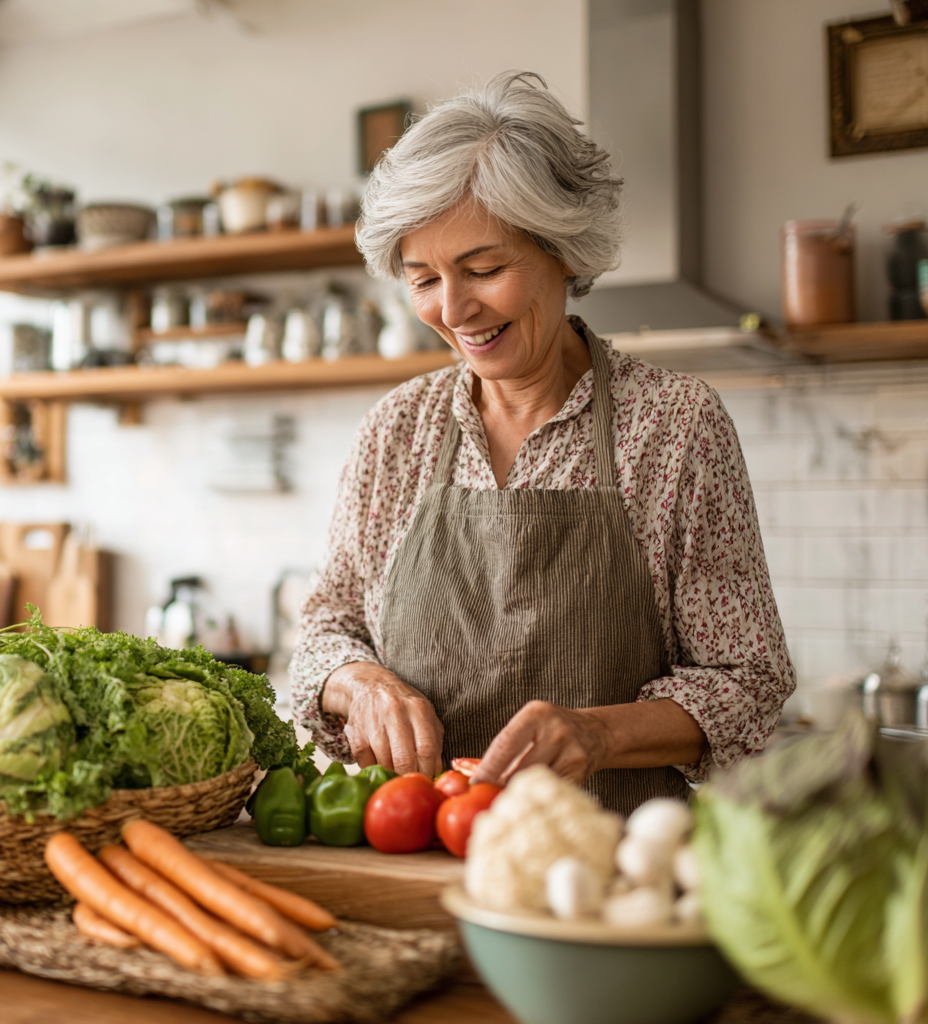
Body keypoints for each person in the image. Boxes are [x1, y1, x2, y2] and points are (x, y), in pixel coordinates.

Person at [291, 70, 794, 814]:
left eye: (484, 269)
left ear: (564, 249)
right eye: (423, 278)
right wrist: (359, 684)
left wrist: (600, 735)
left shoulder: (675, 427)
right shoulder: (395, 432)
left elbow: (746, 681)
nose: (455, 309)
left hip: (606, 867)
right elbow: (324, 633)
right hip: (414, 851)